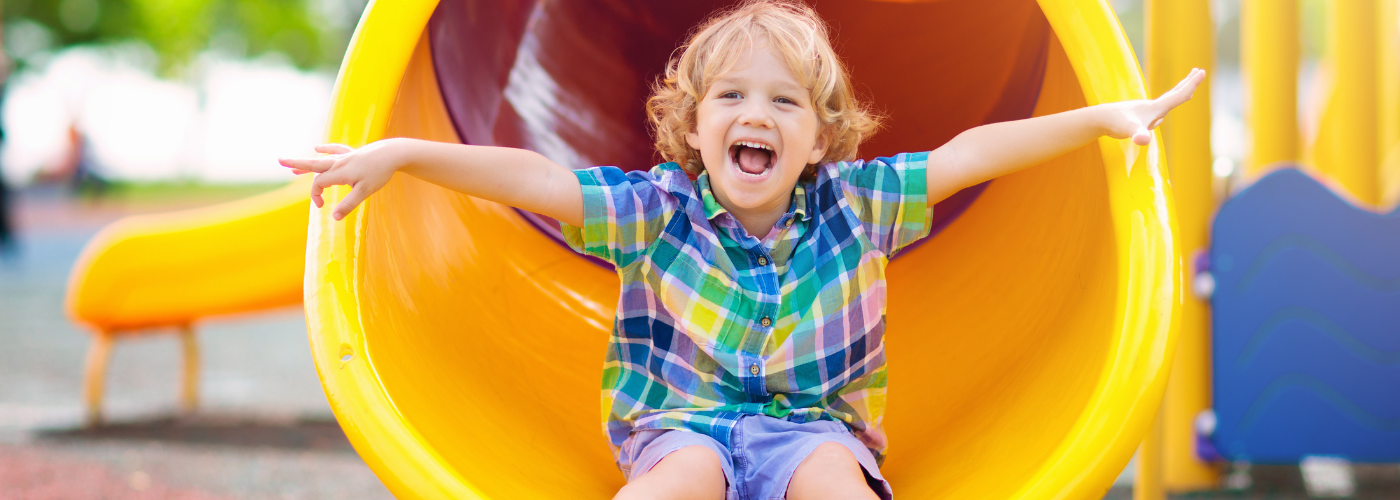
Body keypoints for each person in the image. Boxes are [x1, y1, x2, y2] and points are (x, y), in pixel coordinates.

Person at [280, 2, 1204, 498]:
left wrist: (1100, 119)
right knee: (678, 479)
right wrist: (400, 154)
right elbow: (535, 179)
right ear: (692, 125)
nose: (754, 115)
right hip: (679, 424)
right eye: (729, 98)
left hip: (814, 429)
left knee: (833, 483)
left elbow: (971, 154)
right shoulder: (655, 208)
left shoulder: (857, 201)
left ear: (822, 138)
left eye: (784, 103)